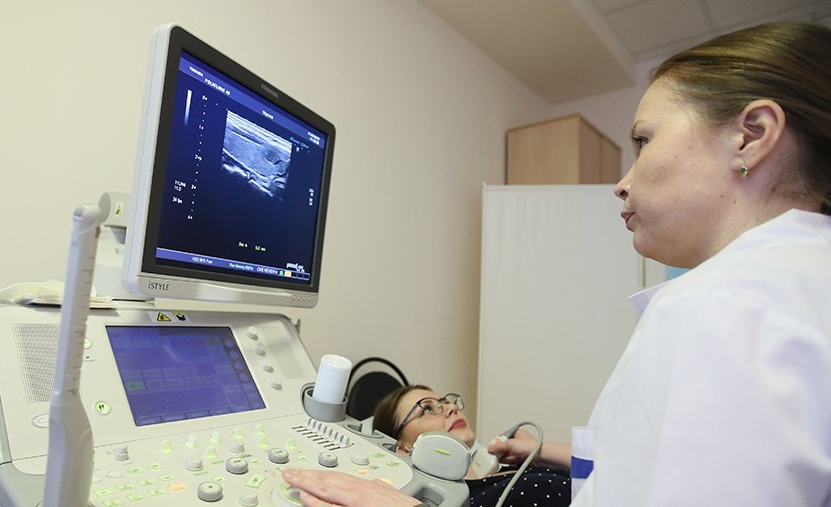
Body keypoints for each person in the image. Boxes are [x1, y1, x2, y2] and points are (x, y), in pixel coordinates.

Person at [284, 20, 831, 506]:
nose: (622, 183)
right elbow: (647, 464)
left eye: (644, 140)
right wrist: (548, 451)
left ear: (752, 135)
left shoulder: (732, 305)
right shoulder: (788, 288)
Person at [370, 385, 570, 507]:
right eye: (427, 409)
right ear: (402, 449)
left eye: (445, 402)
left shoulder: (507, 469)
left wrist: (540, 452)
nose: (451, 407)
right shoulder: (467, 501)